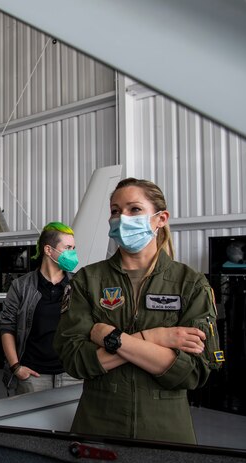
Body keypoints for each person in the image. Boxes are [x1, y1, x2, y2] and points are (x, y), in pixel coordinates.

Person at [53, 178, 223, 444]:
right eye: (115, 211)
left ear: (160, 218)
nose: (122, 218)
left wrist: (111, 337)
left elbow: (191, 372)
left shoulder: (190, 284)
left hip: (164, 431)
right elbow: (74, 360)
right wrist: (155, 339)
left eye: (134, 209)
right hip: (97, 427)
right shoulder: (87, 280)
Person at [0, 222, 81, 395]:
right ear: (48, 250)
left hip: (71, 374)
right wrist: (16, 367)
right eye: (67, 248)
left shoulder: (79, 284)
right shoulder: (20, 286)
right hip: (33, 376)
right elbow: (7, 327)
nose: (72, 253)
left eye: (73, 248)